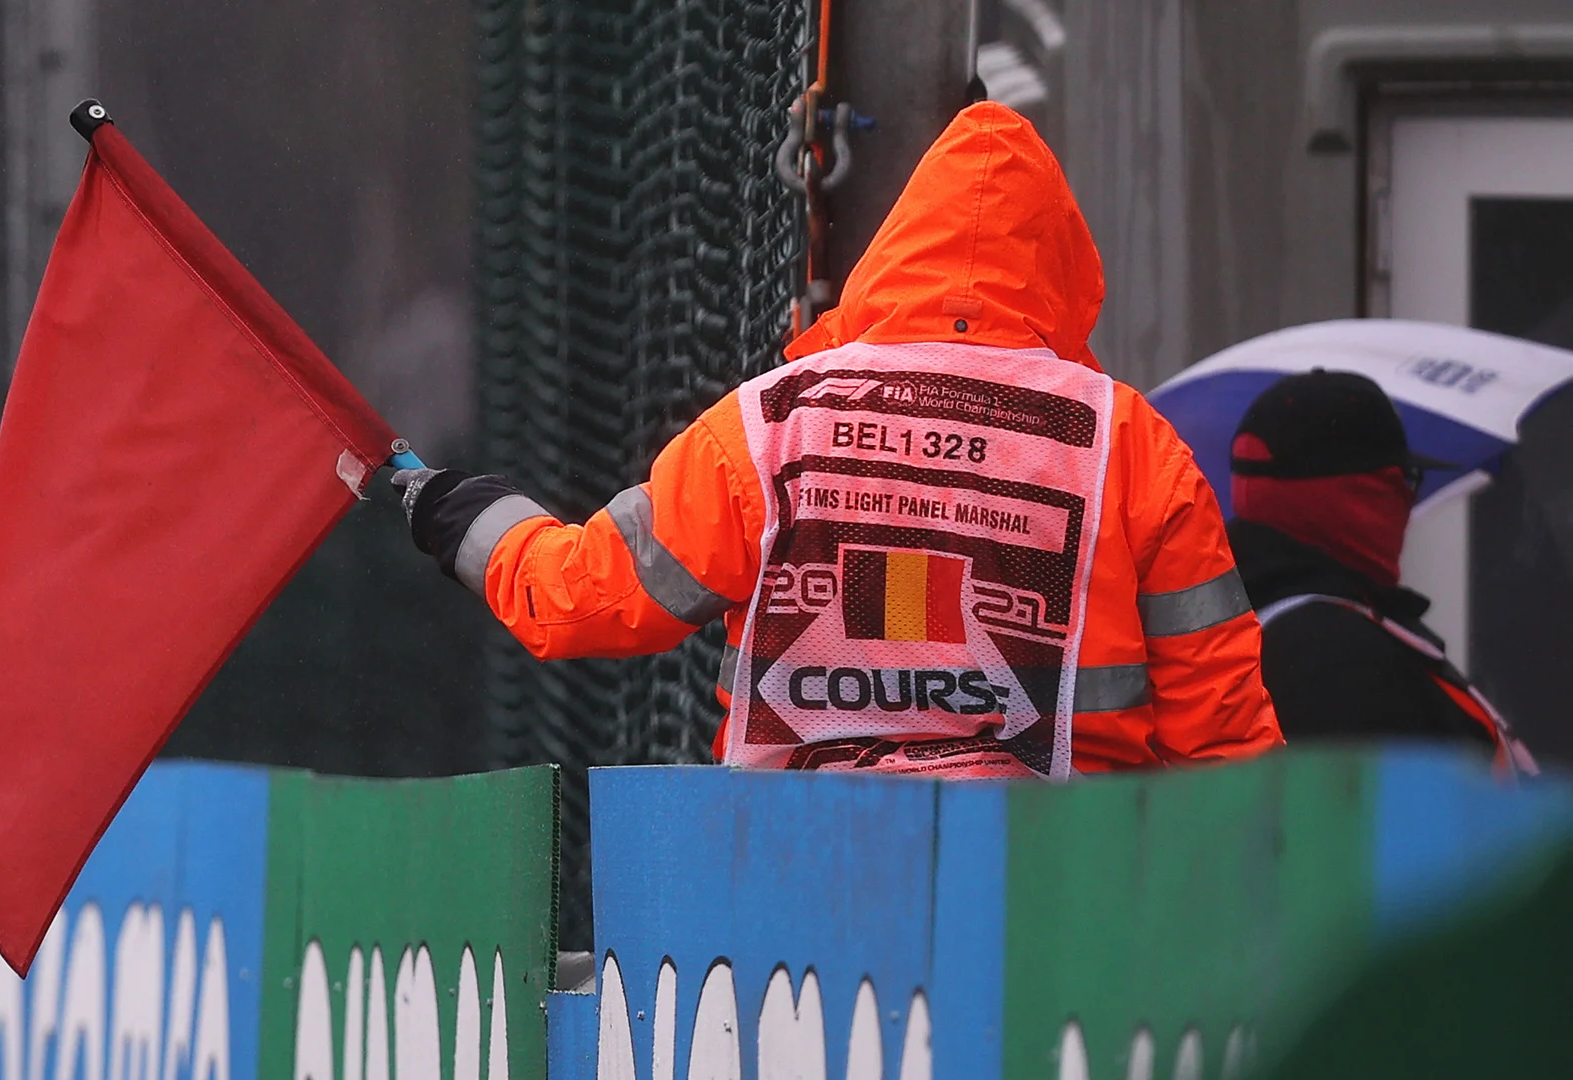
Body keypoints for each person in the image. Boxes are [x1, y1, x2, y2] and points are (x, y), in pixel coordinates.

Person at [395, 101, 1280, 778]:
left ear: (896, 246)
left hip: (787, 896)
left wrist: (467, 517)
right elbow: (1225, 737)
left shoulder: (770, 426)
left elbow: (579, 598)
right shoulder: (1131, 445)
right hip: (1055, 906)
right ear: (1064, 265)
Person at [1225, 369, 1533, 770]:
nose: (1409, 501)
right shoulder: (1333, 655)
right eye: (1408, 479)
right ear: (1360, 492)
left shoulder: (1230, 629)